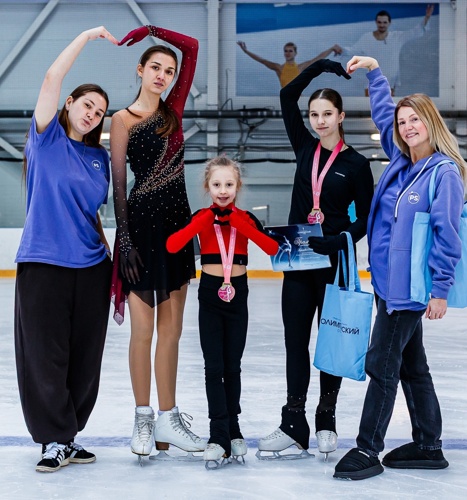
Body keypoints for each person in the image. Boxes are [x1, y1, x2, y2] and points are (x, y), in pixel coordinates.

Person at [333, 55, 467, 481]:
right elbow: (381, 110)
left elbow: (448, 234)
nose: (408, 127)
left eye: (416, 120)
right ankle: (429, 445)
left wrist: (441, 289)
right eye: (403, 121)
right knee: (412, 365)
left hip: (408, 290)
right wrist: (375, 74)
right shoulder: (400, 160)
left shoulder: (443, 173)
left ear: (431, 122)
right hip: (386, 284)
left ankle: (367, 449)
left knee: (383, 364)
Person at [13, 26, 118, 473]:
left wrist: (115, 269)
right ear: (69, 104)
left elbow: (93, 215)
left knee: (84, 358)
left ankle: (69, 435)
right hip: (43, 265)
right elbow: (51, 79)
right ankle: (52, 439)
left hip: (92, 267)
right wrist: (86, 37)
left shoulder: (100, 159)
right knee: (45, 355)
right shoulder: (45, 139)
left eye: (100, 111)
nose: (93, 114)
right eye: (87, 105)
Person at [257, 59, 374, 460]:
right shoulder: (304, 147)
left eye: (327, 114)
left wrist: (341, 240)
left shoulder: (357, 165)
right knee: (295, 342)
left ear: (341, 116)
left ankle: (326, 418)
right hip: (299, 264)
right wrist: (319, 68)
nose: (320, 120)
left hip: (335, 267)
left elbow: (369, 220)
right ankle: (293, 421)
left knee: (330, 342)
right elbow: (286, 95)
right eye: (314, 115)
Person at [109, 25, 207, 461]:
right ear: (140, 69)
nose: (164, 75)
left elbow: (193, 47)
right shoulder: (122, 120)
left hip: (178, 230)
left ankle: (169, 416)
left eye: (169, 70)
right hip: (141, 234)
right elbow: (117, 186)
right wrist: (125, 241)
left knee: (173, 331)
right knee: (142, 333)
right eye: (156, 67)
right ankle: (144, 418)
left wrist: (152, 30)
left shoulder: (175, 111)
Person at [166, 157, 281, 469]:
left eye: (229, 184)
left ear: (237, 186)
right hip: (210, 295)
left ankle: (234, 430)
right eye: (217, 184)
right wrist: (201, 223)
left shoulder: (245, 217)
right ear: (208, 187)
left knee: (233, 367)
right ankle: (218, 434)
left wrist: (240, 224)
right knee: (212, 368)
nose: (223, 190)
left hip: (238, 296)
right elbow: (173, 245)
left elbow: (272, 248)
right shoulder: (202, 216)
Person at [347, 6, 434, 96]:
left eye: (384, 22)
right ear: (376, 22)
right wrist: (340, 49)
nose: (382, 25)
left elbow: (415, 32)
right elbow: (353, 50)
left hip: (390, 83)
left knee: (388, 109)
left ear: (389, 23)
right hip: (372, 83)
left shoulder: (397, 37)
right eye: (379, 22)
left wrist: (427, 17)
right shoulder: (367, 38)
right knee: (371, 108)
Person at [237, 40, 342, 88]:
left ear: (295, 53)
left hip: (299, 99)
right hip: (287, 100)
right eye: (286, 51)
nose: (288, 53)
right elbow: (262, 60)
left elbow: (318, 58)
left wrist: (332, 49)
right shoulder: (279, 68)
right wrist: (246, 51)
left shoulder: (300, 67)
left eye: (290, 51)